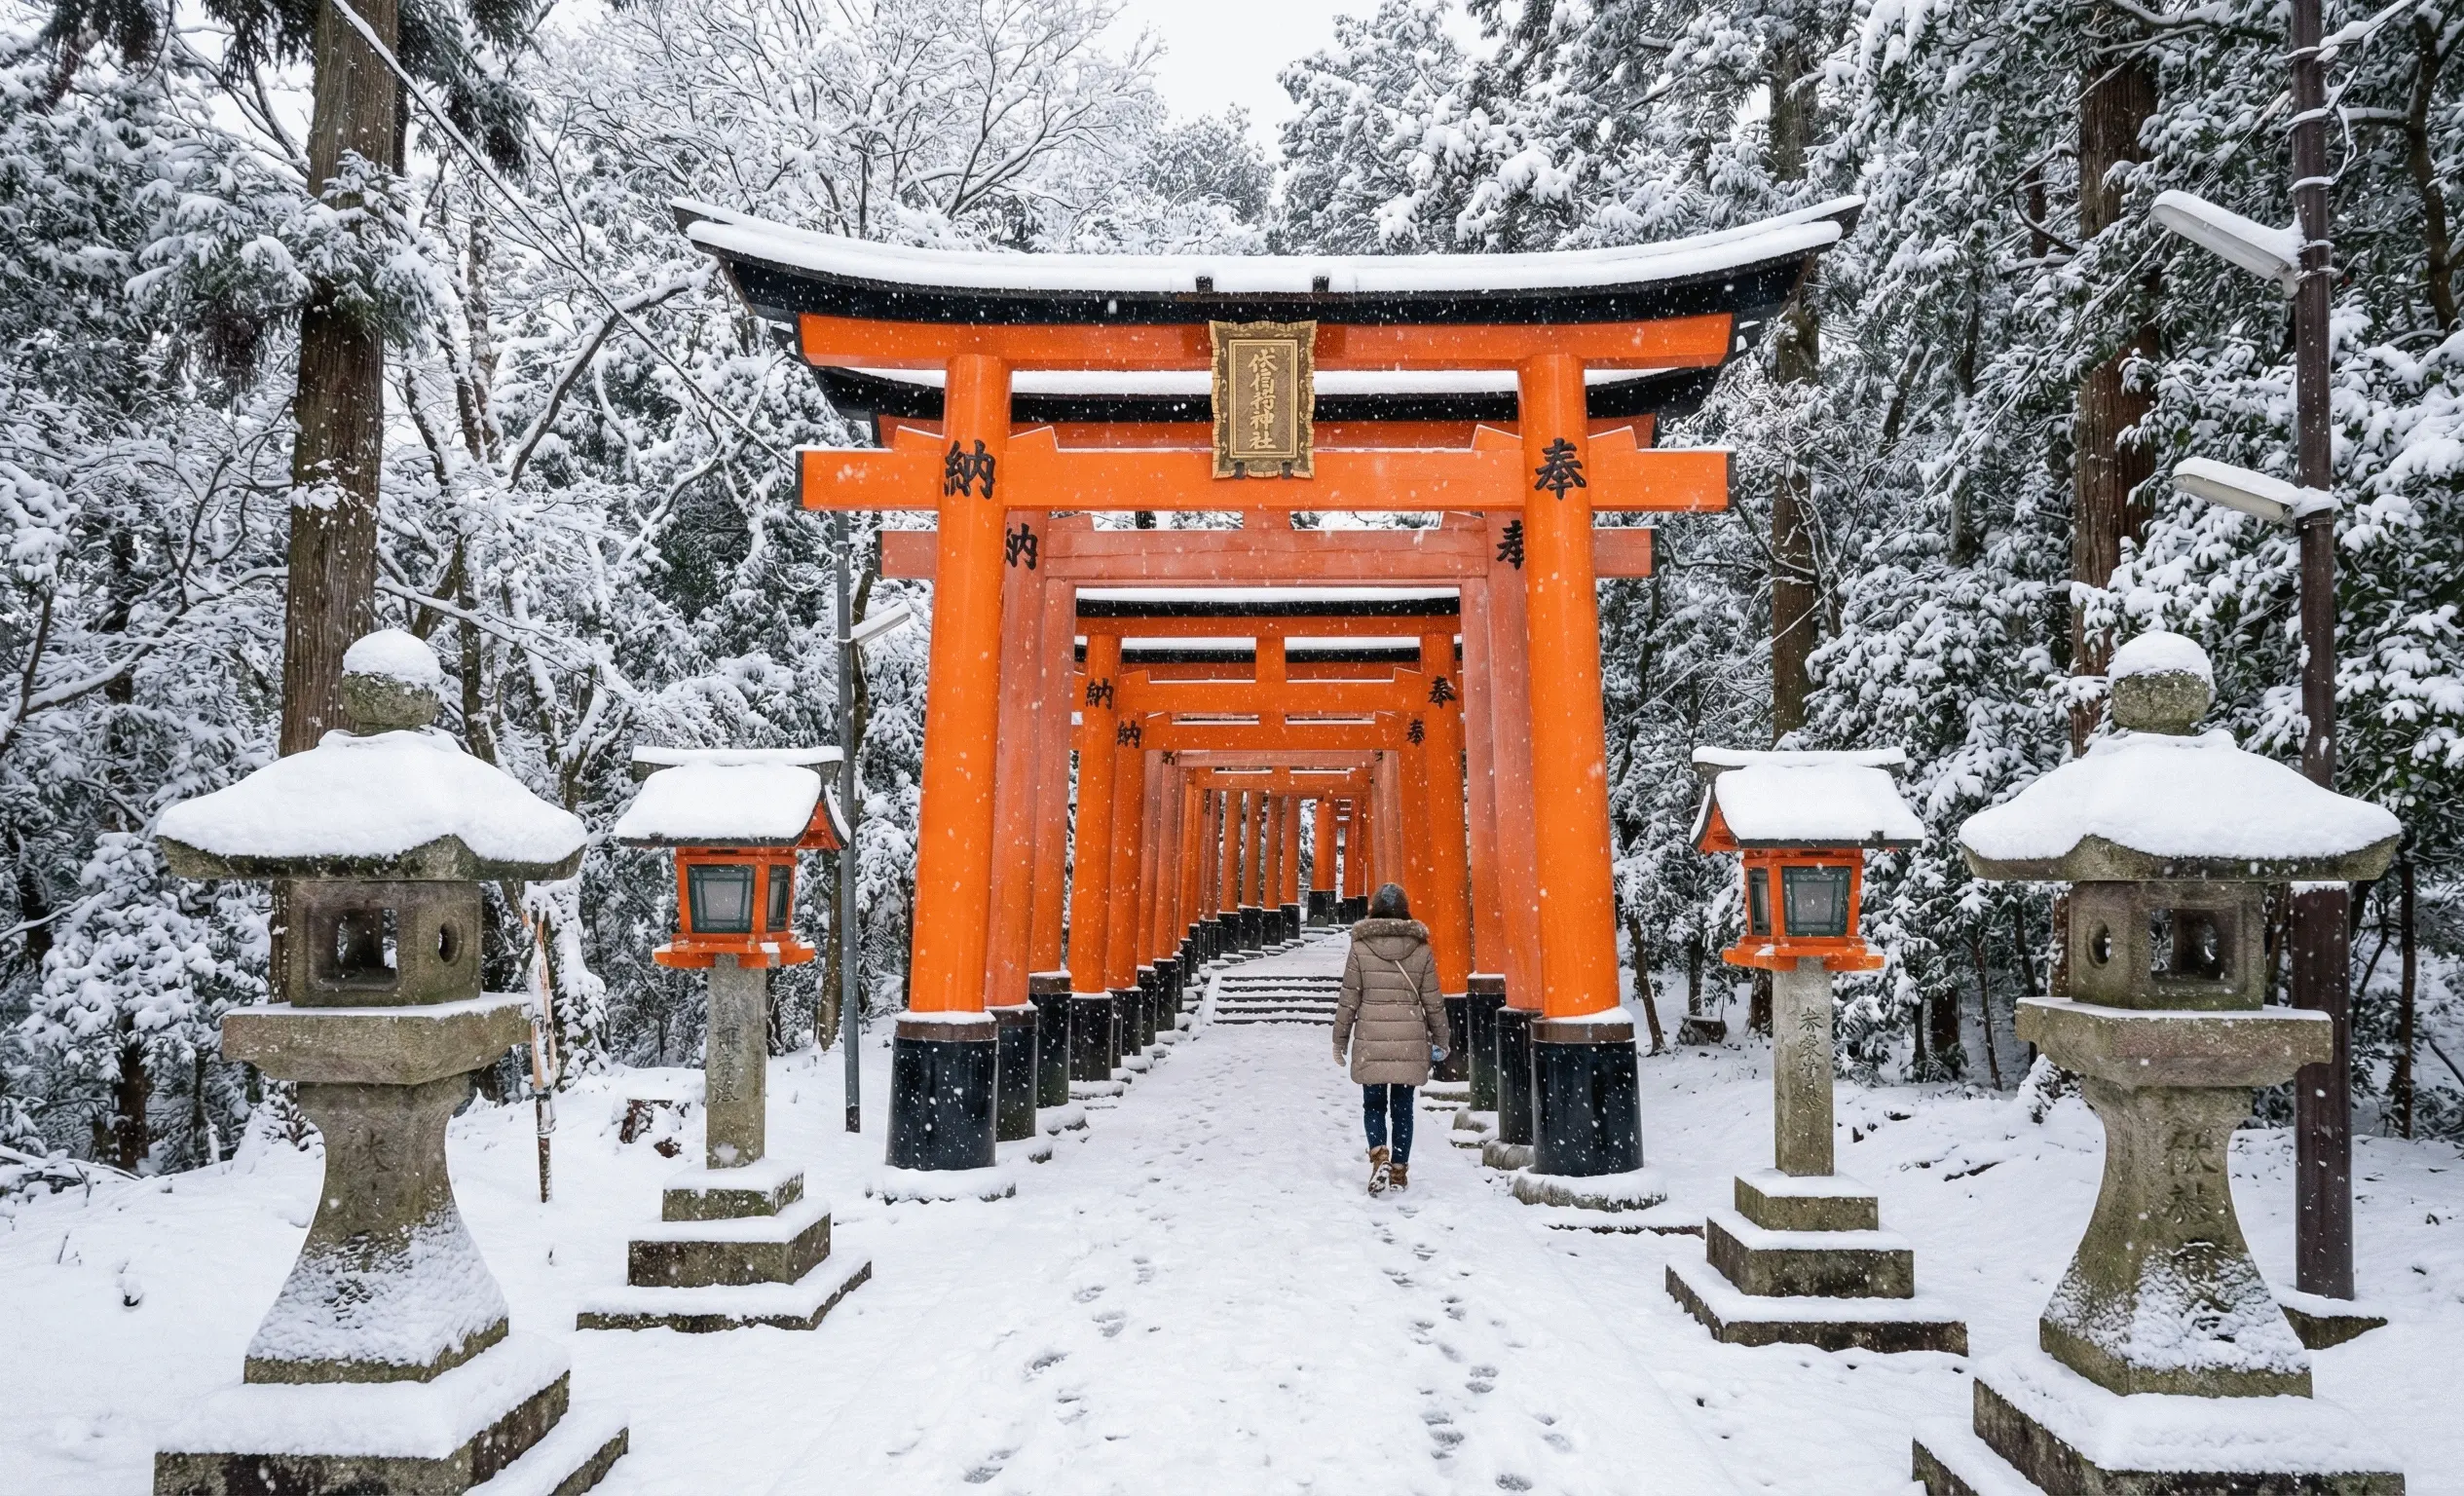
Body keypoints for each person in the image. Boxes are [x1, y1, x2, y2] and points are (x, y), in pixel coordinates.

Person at [1331, 882, 1447, 1194]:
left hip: (1372, 1036)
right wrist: (1442, 1038)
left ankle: (1379, 1153)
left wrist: (1339, 1039)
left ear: (1374, 910)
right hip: (1409, 1037)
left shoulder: (1361, 946)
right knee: (1403, 1108)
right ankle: (1398, 1170)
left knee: (1373, 1105)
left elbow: (1349, 998)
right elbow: (1433, 1001)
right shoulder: (1420, 948)